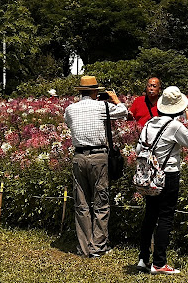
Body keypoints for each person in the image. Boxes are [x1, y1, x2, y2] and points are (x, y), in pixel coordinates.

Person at [137, 86, 188, 275]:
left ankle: (143, 258)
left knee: (150, 215)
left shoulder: (149, 124)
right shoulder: (174, 126)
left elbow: (138, 151)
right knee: (165, 216)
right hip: (168, 175)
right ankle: (159, 263)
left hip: (149, 176)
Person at [64, 75, 128, 258]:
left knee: (81, 203)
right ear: (94, 91)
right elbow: (123, 112)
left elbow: (69, 124)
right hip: (99, 156)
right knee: (101, 202)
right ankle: (98, 247)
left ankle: (84, 248)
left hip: (78, 156)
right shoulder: (103, 106)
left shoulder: (70, 109)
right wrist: (115, 99)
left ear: (81, 91)